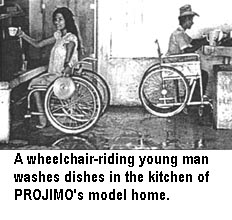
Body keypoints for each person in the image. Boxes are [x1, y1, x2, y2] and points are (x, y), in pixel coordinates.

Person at [18, 7, 84, 128]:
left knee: (34, 84)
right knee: (35, 83)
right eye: (55, 20)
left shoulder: (70, 38)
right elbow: (38, 44)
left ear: (67, 20)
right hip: (54, 73)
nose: (57, 22)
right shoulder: (59, 36)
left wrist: (67, 66)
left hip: (61, 75)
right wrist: (23, 35)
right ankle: (43, 115)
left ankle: (42, 117)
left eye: (60, 19)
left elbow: (69, 57)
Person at [167, 4, 208, 101]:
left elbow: (192, 42)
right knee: (203, 74)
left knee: (201, 73)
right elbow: (187, 50)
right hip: (176, 64)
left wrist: (204, 40)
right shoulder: (179, 34)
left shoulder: (181, 33)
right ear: (186, 20)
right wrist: (203, 42)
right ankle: (195, 100)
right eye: (191, 20)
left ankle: (194, 98)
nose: (192, 23)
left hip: (177, 62)